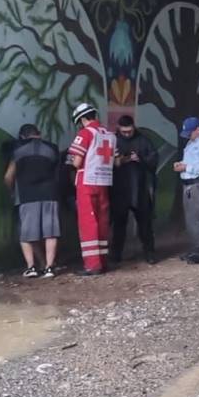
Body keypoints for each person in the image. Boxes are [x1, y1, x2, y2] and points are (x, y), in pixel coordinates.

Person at [4, 124, 61, 279]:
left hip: (27, 196)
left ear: (22, 136)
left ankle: (32, 268)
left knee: (27, 235)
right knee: (51, 233)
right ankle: (49, 267)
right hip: (50, 195)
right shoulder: (52, 149)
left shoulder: (18, 151)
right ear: (39, 134)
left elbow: (8, 176)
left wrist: (11, 193)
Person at [67, 103, 115, 276]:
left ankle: (92, 265)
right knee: (102, 221)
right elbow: (116, 161)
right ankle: (103, 261)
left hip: (87, 181)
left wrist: (70, 162)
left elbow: (77, 162)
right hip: (104, 181)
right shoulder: (110, 135)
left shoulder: (85, 133)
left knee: (88, 222)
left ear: (82, 119)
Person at [110, 115, 158, 265]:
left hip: (140, 188)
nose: (127, 134)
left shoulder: (143, 140)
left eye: (129, 131)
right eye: (124, 132)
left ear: (134, 127)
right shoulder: (112, 141)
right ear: (118, 128)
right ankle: (116, 254)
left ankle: (149, 253)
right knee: (118, 225)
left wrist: (141, 159)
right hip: (119, 189)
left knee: (145, 224)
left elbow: (154, 160)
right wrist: (121, 160)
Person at [173, 117, 199, 264]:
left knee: (198, 218)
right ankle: (194, 249)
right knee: (191, 219)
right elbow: (191, 161)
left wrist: (186, 167)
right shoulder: (192, 142)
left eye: (190, 132)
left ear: (198, 129)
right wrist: (182, 165)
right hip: (189, 185)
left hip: (198, 184)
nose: (187, 135)